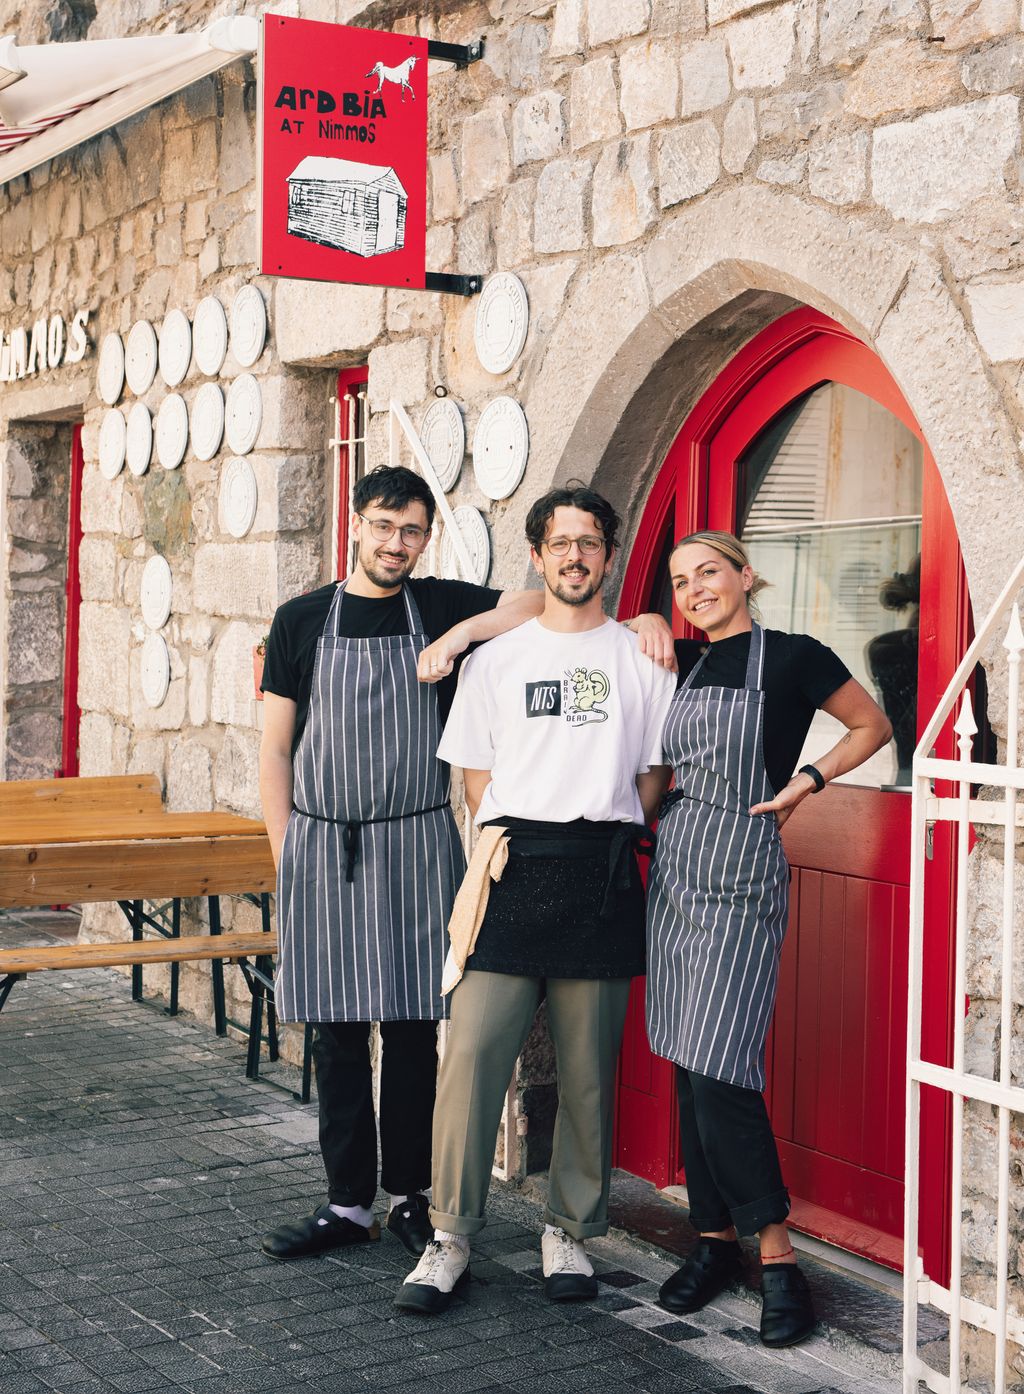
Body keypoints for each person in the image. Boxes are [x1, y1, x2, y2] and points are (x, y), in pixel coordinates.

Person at [394, 484, 677, 1315]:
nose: (576, 555)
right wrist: (509, 829)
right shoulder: (499, 658)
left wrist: (605, 822)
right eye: (562, 543)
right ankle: (449, 1237)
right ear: (538, 554)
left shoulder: (640, 656)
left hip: (599, 872)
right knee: (474, 1057)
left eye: (591, 542)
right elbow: (474, 771)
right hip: (512, 867)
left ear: (610, 558)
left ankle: (568, 1230)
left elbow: (653, 773)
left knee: (588, 1073)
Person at [258, 465, 545, 1261]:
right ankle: (347, 1203)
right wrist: (289, 856)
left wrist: (458, 638)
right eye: (384, 526)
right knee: (339, 1035)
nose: (397, 543)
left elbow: (539, 605)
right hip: (324, 845)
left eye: (412, 530)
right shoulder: (301, 620)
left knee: (417, 1031)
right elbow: (276, 752)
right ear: (356, 523)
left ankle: (411, 1197)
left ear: (426, 536)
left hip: (419, 842)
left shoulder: (443, 604)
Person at [643, 530, 892, 1347]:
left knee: (721, 1064)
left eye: (707, 572)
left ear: (746, 576)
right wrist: (645, 618)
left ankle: (779, 1259)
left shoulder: (791, 656)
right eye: (680, 582)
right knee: (688, 1057)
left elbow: (871, 725)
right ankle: (713, 1244)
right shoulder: (682, 658)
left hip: (744, 866)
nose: (694, 590)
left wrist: (807, 783)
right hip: (677, 865)